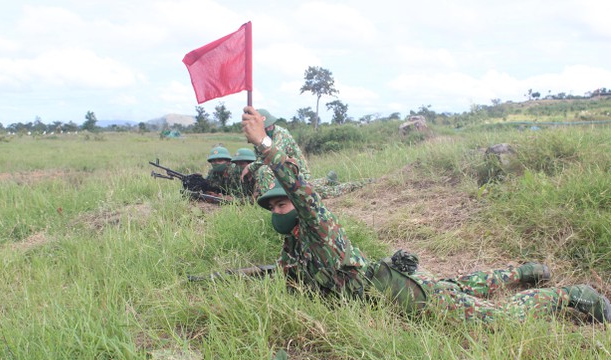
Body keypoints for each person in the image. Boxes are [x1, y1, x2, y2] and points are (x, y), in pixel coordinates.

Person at [241, 106, 611, 324]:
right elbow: (288, 275)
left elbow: (300, 189)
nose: (278, 210)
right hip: (394, 281)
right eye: (273, 207)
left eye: (282, 204)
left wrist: (264, 144)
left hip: (406, 296)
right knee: (458, 285)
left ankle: (572, 295)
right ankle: (525, 272)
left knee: (498, 318)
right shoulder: (294, 246)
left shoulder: (316, 225)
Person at [240, 108, 311, 198]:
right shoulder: (260, 139)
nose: (269, 128)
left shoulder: (281, 134)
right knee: (258, 171)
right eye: (266, 127)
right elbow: (260, 159)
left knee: (264, 170)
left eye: (270, 125)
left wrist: (250, 167)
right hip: (282, 169)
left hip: (297, 172)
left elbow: (273, 157)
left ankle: (268, 199)